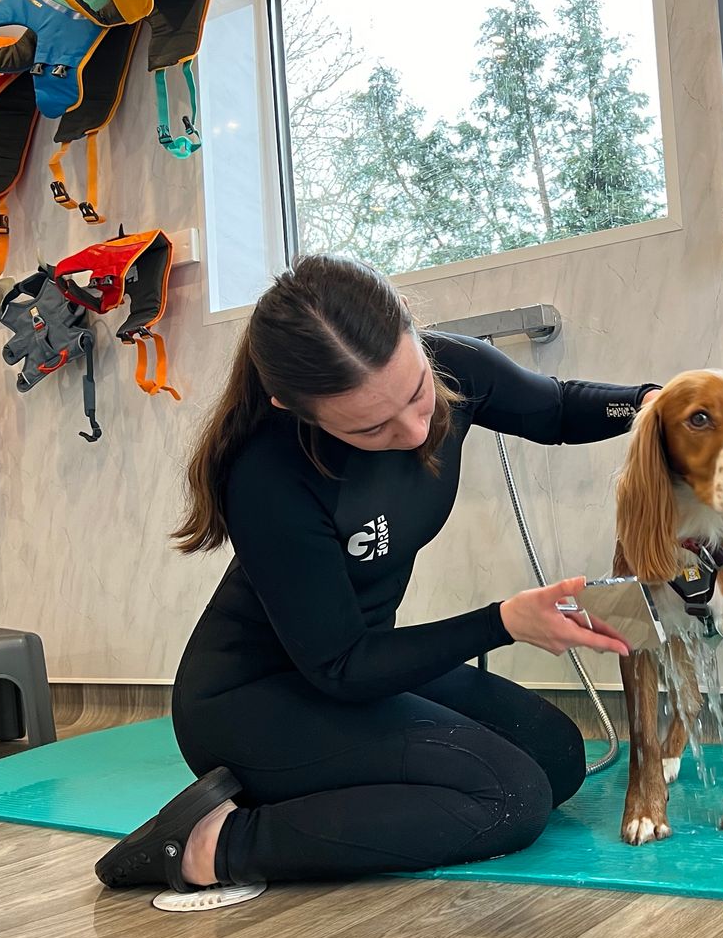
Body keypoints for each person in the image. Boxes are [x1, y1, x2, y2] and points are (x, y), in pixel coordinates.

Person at [95, 254, 656, 897]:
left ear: (414, 334)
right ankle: (206, 845)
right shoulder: (269, 475)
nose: (418, 429)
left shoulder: (450, 366)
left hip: (355, 678)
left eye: (417, 393)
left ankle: (332, 783)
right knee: (509, 797)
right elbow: (343, 665)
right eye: (372, 427)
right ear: (293, 407)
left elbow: (555, 410)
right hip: (255, 702)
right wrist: (503, 622)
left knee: (556, 755)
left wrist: (657, 405)